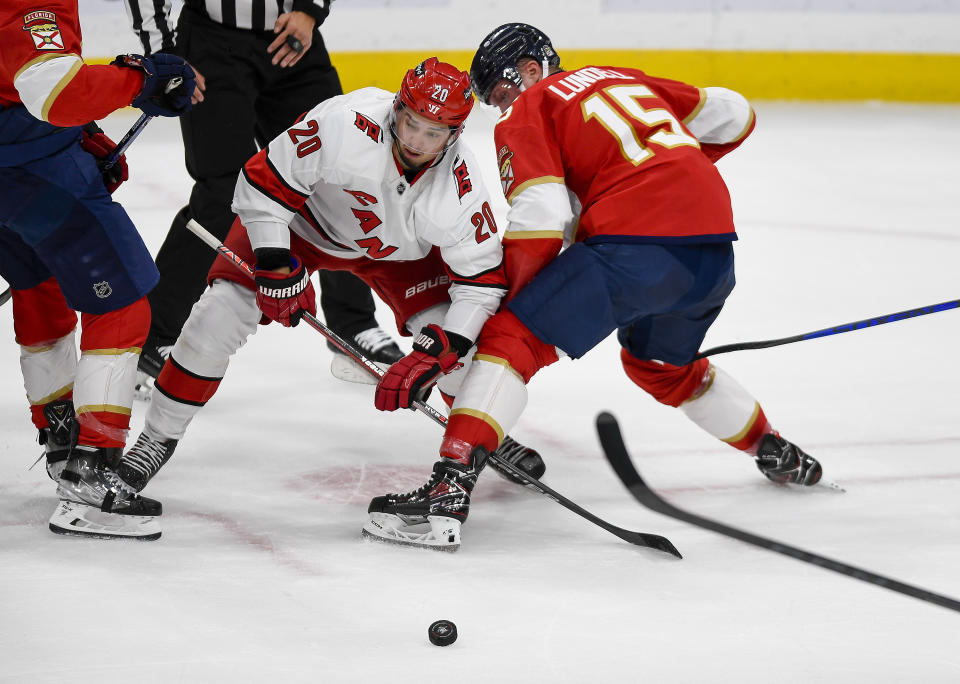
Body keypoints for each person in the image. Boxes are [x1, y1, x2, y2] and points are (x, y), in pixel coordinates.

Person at [364, 23, 825, 551]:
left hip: (635, 249)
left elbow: (541, 214)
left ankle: (447, 491)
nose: (502, 105)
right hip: (714, 254)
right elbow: (735, 112)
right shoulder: (623, 79)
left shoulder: (530, 106)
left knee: (510, 341)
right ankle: (771, 447)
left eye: (500, 91)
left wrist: (513, 304)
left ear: (532, 69)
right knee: (658, 366)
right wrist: (671, 169)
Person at [113, 58, 546, 536]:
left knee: (462, 350)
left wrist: (443, 348)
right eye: (411, 123)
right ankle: (153, 441)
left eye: (434, 133)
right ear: (397, 109)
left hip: (400, 256)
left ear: (456, 135)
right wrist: (275, 261)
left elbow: (480, 287)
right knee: (216, 317)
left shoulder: (462, 189)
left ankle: (481, 432)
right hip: (301, 227)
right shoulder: (343, 122)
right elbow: (262, 182)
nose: (416, 141)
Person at [121, 0, 403, 396]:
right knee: (222, 194)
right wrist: (168, 52)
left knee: (336, 178)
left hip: (292, 39)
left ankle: (352, 323)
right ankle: (153, 336)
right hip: (210, 43)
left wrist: (309, 11)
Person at [0, 0, 198, 538]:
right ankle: (92, 475)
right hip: (29, 172)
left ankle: (61, 437)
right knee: (123, 301)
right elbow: (52, 90)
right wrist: (139, 79)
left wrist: (75, 132)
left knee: (40, 287)